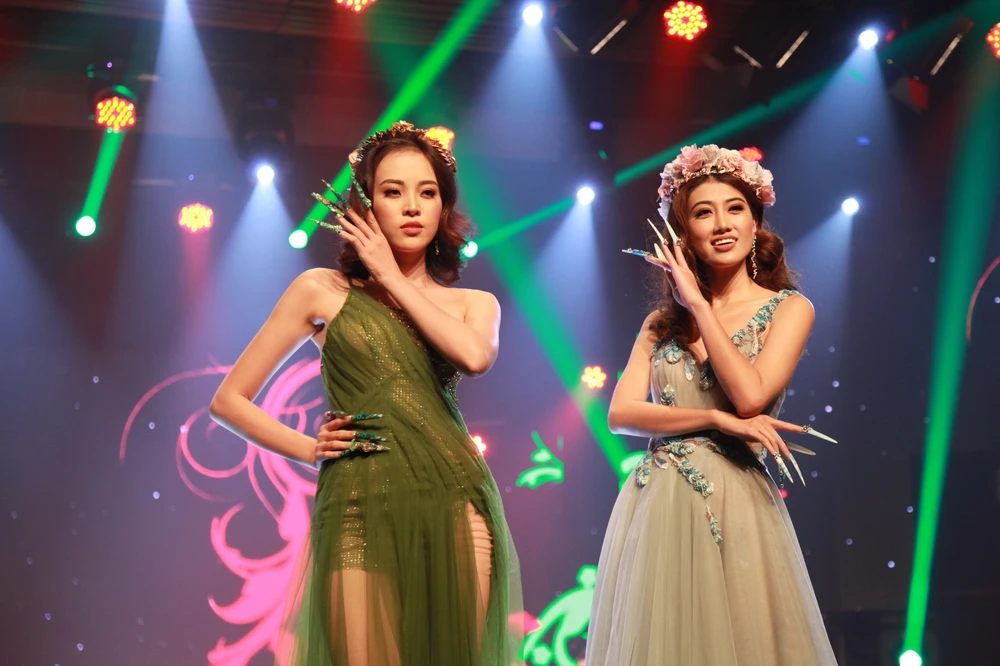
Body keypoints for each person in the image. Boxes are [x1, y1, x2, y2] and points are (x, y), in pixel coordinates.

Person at [209, 121, 521, 666]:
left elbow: (475, 359)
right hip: (356, 502)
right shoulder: (319, 291)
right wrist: (310, 448)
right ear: (367, 206)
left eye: (428, 193)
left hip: (455, 499)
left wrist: (393, 277)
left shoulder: (475, 304)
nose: (412, 206)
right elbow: (228, 400)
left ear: (444, 208)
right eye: (393, 192)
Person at [586, 145, 837, 665]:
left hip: (735, 498)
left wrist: (700, 306)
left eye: (735, 208)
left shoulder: (790, 308)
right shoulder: (660, 324)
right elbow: (620, 414)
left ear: (755, 223)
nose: (721, 224)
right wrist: (713, 418)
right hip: (658, 502)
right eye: (703, 213)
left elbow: (750, 396)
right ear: (685, 235)